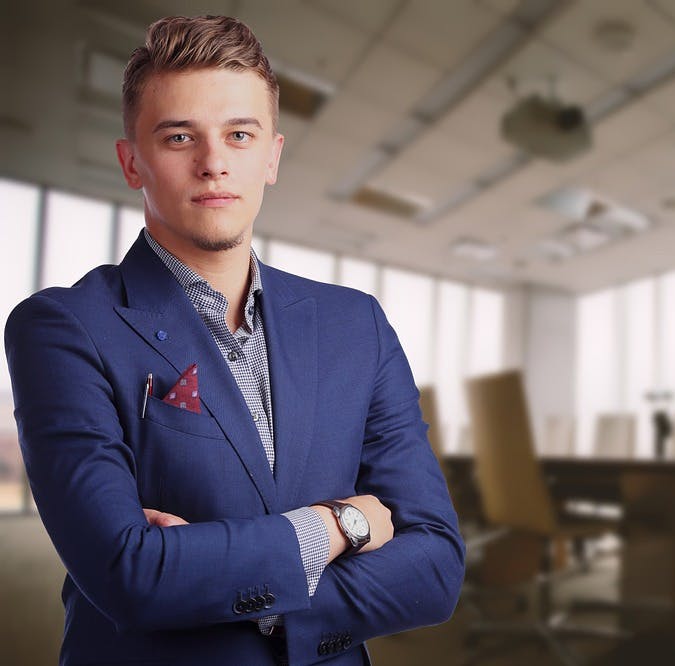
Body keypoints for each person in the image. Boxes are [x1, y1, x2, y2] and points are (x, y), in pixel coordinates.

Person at [4, 15, 463, 666]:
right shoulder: (62, 327)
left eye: (239, 135)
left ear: (270, 157)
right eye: (179, 136)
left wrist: (230, 583)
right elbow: (128, 574)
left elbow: (437, 564)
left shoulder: (355, 325)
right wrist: (340, 525)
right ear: (131, 160)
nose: (214, 163)